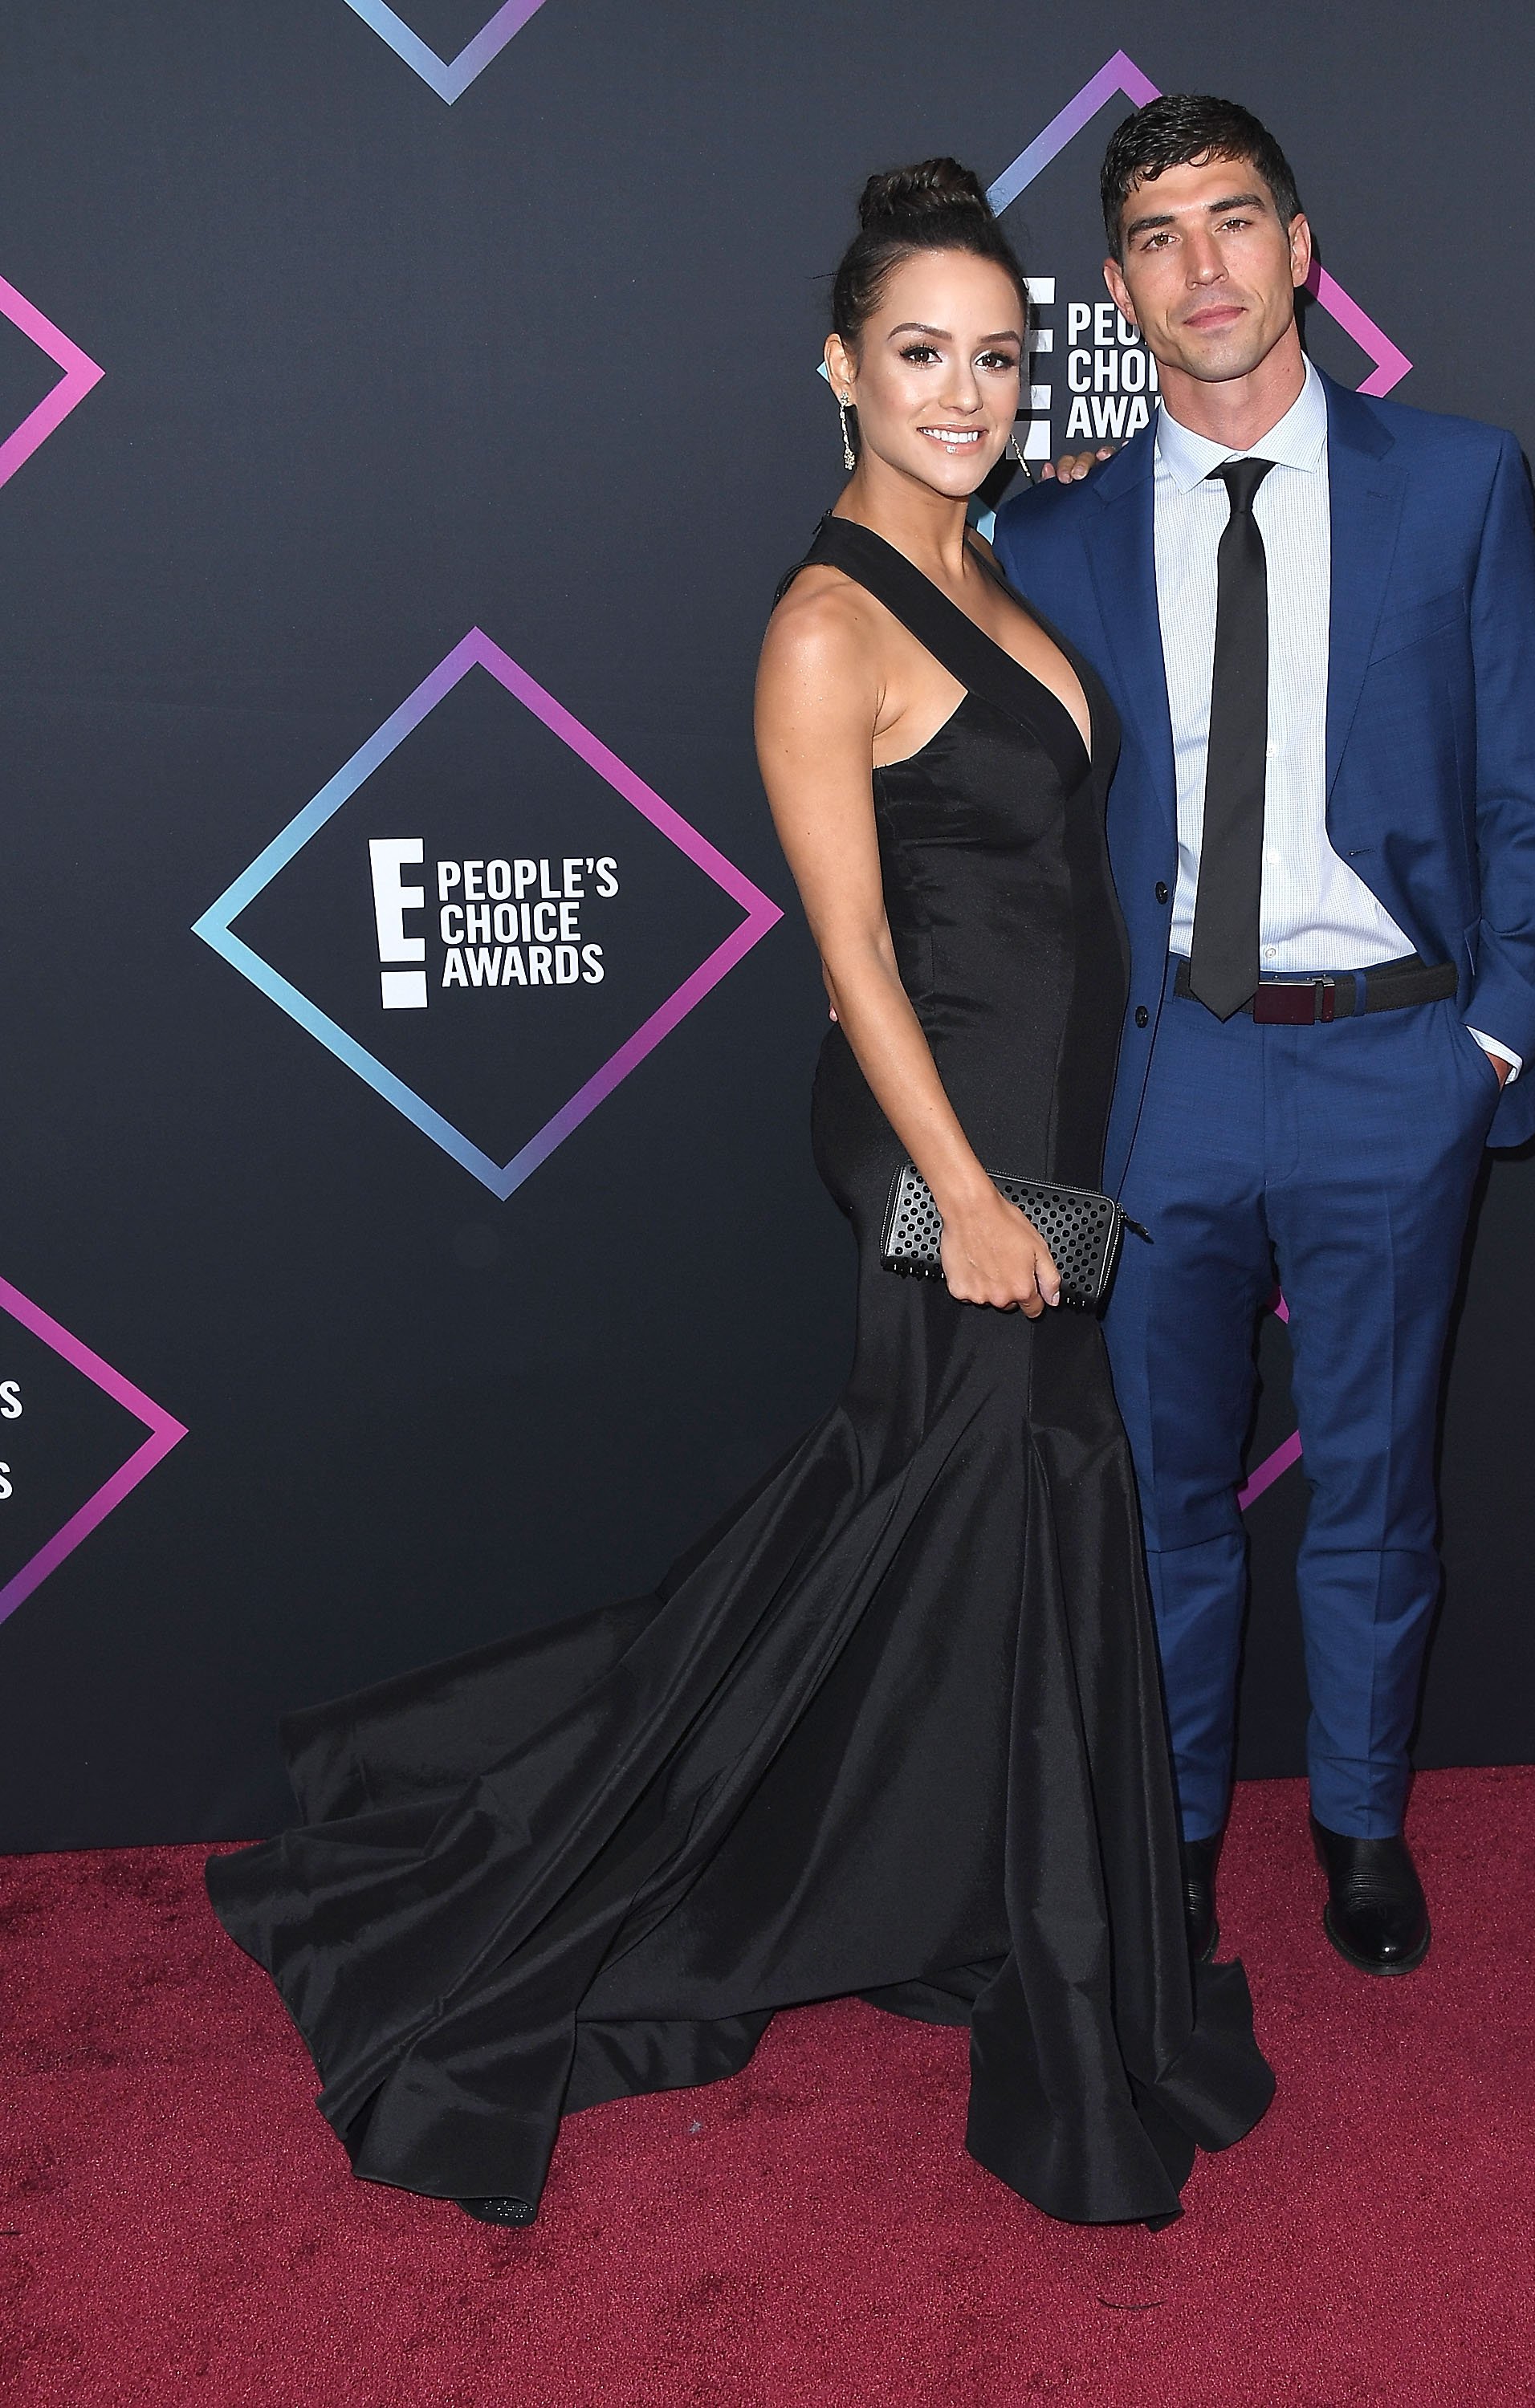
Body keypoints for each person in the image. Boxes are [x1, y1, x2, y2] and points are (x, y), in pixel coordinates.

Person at [207, 161, 1272, 2232]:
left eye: (993, 354)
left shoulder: (983, 553)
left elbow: (1113, 461)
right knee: (1000, 1486)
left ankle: (967, 1887)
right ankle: (995, 1954)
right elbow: (855, 958)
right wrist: (964, 1200)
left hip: (1033, 1135)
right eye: (917, 356)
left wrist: (1069, 433)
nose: (964, 391)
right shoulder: (822, 626)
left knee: (958, 1515)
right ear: (836, 369)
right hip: (932, 1146)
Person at [996, 96, 1535, 1976]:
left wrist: (1488, 1044)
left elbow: (1530, 795)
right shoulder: (1057, 534)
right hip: (1164, 1077)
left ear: (1303, 246)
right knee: (1161, 1500)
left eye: (1233, 222)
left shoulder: (1460, 482)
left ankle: (1356, 1826)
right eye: (1159, 239)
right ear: (1118, 288)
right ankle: (1168, 1841)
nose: (1204, 268)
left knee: (1376, 1487)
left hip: (1391, 1064)